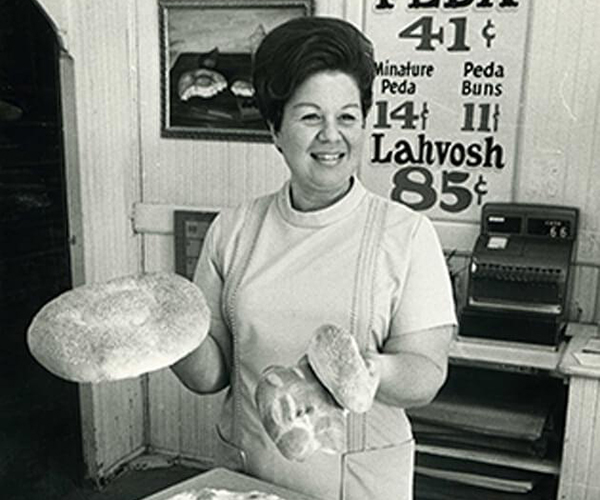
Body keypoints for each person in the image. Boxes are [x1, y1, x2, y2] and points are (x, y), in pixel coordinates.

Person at [171, 16, 457, 500]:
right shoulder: (234, 229)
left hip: (361, 486)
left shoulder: (406, 234)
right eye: (310, 117)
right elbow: (211, 373)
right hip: (250, 478)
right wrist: (166, 335)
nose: (331, 136)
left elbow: (426, 374)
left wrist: (375, 371)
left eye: (347, 117)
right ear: (275, 131)